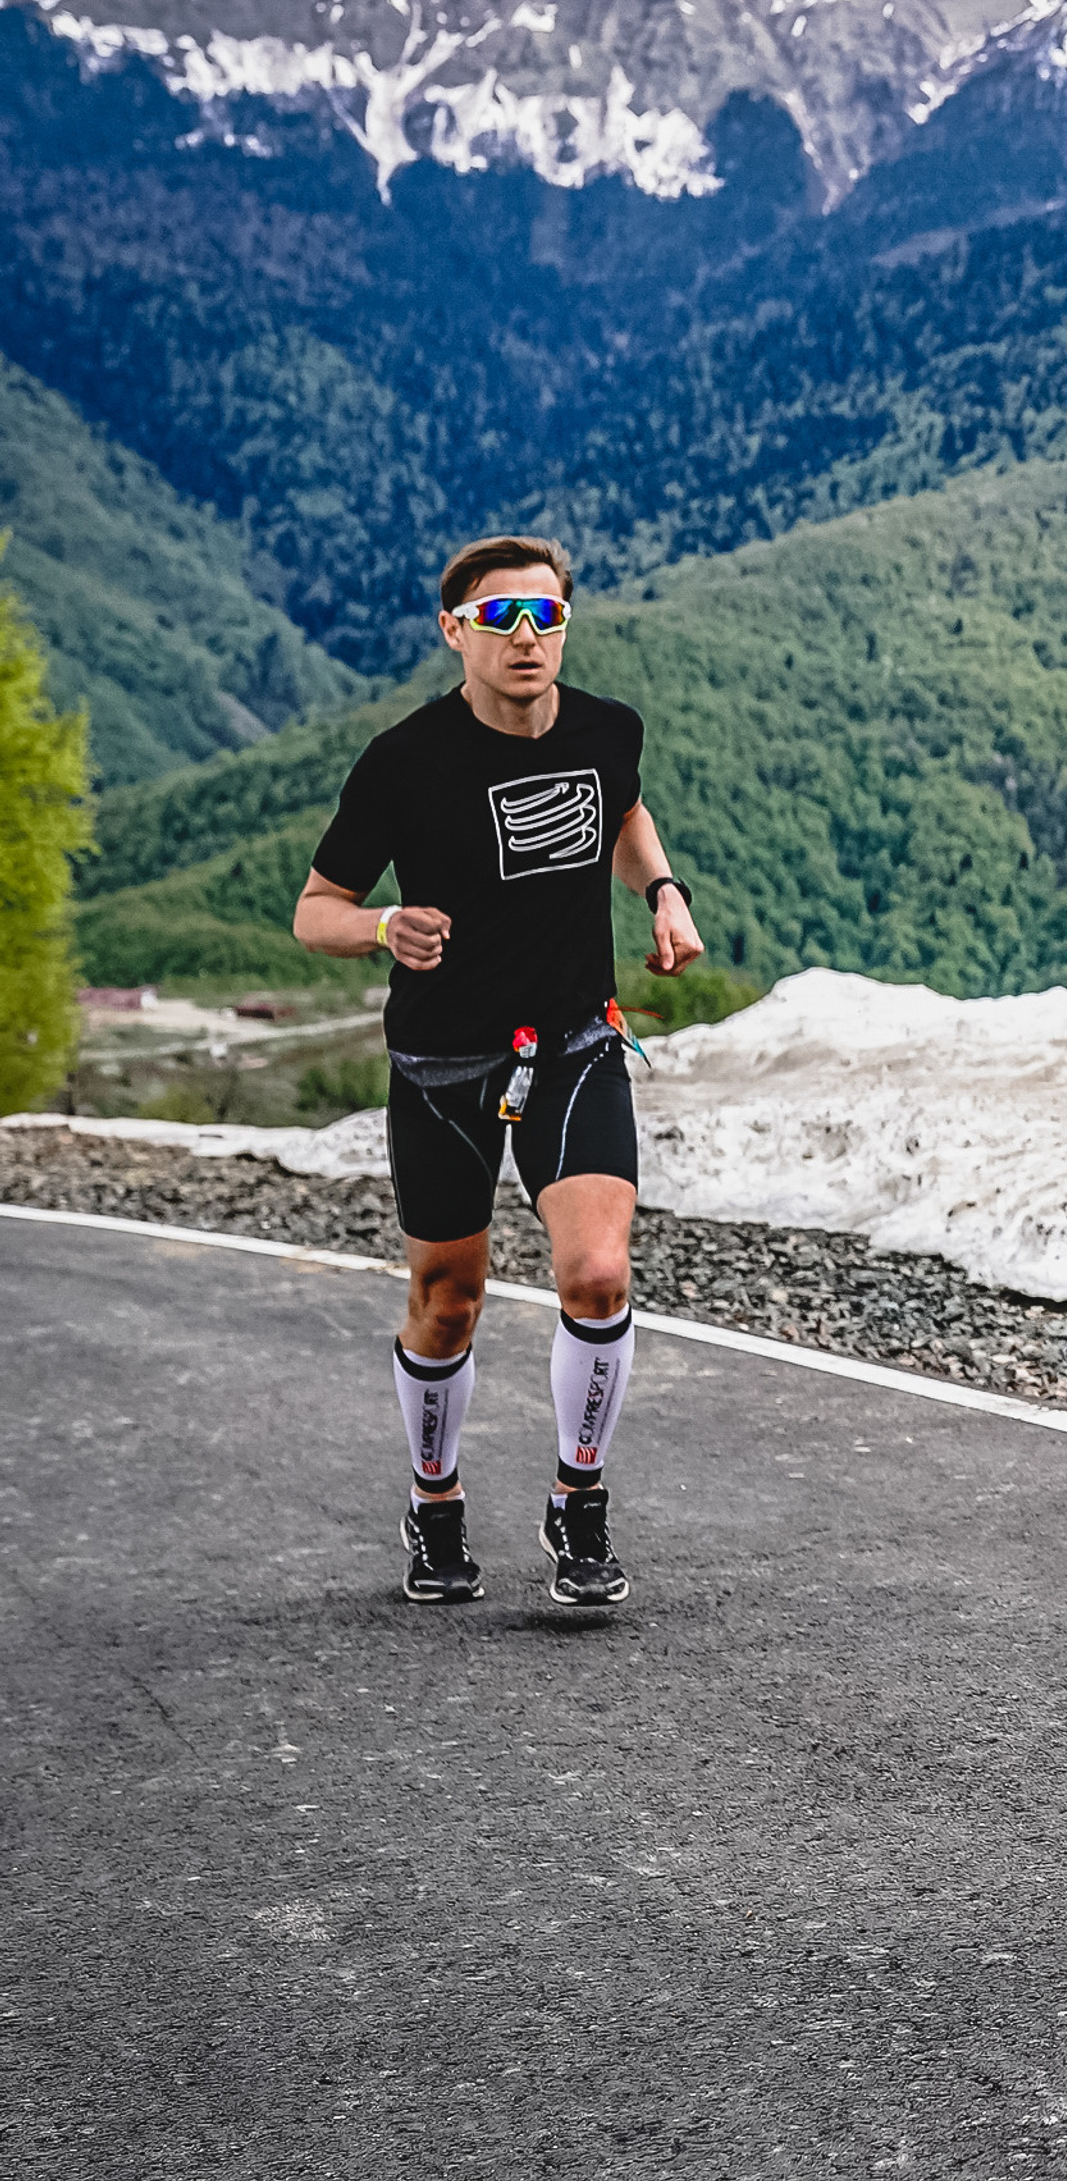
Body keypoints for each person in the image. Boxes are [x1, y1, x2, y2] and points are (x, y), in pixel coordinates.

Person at [294, 536, 703, 1609]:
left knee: (599, 1276)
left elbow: (622, 807)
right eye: (497, 619)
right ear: (454, 632)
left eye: (544, 616)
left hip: (573, 1042)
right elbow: (315, 910)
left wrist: (662, 890)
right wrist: (381, 926)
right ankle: (435, 1503)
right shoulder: (404, 761)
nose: (525, 637)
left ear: (566, 625)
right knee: (448, 1301)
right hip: (443, 1063)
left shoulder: (609, 729)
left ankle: (579, 1501)